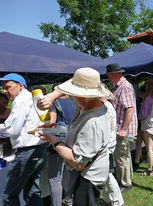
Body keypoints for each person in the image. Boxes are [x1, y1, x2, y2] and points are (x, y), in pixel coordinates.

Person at [38, 67, 112, 205]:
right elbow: (65, 88)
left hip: (87, 178)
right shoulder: (91, 104)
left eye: (75, 94)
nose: (72, 96)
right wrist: (51, 97)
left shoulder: (92, 121)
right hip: (87, 174)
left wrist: (52, 139)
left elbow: (78, 163)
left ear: (85, 95)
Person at [0, 73, 47, 206]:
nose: (4, 91)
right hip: (38, 149)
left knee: (9, 194)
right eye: (3, 87)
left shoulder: (20, 100)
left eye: (8, 87)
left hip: (27, 152)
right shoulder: (31, 97)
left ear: (20, 86)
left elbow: (12, 130)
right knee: (33, 192)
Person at [106, 63, 137, 192]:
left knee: (122, 157)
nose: (108, 77)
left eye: (110, 74)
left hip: (123, 130)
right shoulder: (118, 87)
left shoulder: (124, 87)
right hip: (120, 129)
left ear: (117, 74)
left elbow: (130, 109)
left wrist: (123, 129)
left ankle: (125, 184)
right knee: (122, 156)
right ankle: (123, 181)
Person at [47, 84, 75, 206]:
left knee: (55, 179)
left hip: (57, 146)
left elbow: (52, 124)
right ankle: (69, 202)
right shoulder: (73, 105)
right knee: (68, 175)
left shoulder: (53, 104)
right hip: (71, 145)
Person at [101, 97, 124, 206]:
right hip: (108, 145)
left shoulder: (105, 107)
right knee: (106, 175)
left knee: (108, 175)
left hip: (106, 147)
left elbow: (108, 128)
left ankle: (118, 202)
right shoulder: (108, 106)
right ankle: (106, 199)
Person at [138, 79, 153, 176]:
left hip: (149, 124)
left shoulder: (149, 97)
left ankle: (149, 170)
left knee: (149, 148)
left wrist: (138, 117)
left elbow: (144, 113)